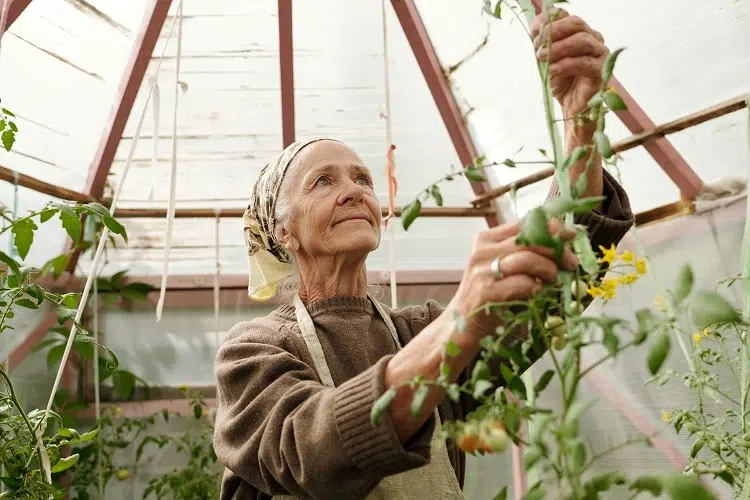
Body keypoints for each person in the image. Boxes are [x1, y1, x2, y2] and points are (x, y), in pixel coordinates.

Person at [213, 8, 634, 500]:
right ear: (283, 231)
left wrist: (580, 120)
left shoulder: (415, 330)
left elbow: (555, 274)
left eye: (362, 179)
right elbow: (313, 454)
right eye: (324, 181)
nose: (353, 191)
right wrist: (460, 321)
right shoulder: (254, 350)